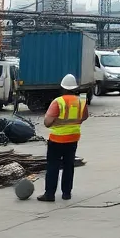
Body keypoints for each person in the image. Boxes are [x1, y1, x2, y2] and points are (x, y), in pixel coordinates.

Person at [38, 73, 89, 202]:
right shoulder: (81, 101)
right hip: (73, 139)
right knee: (68, 166)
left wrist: (57, 122)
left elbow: (47, 122)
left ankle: (50, 194)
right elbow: (84, 117)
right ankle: (66, 193)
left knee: (53, 166)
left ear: (63, 87)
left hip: (57, 139)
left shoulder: (58, 102)